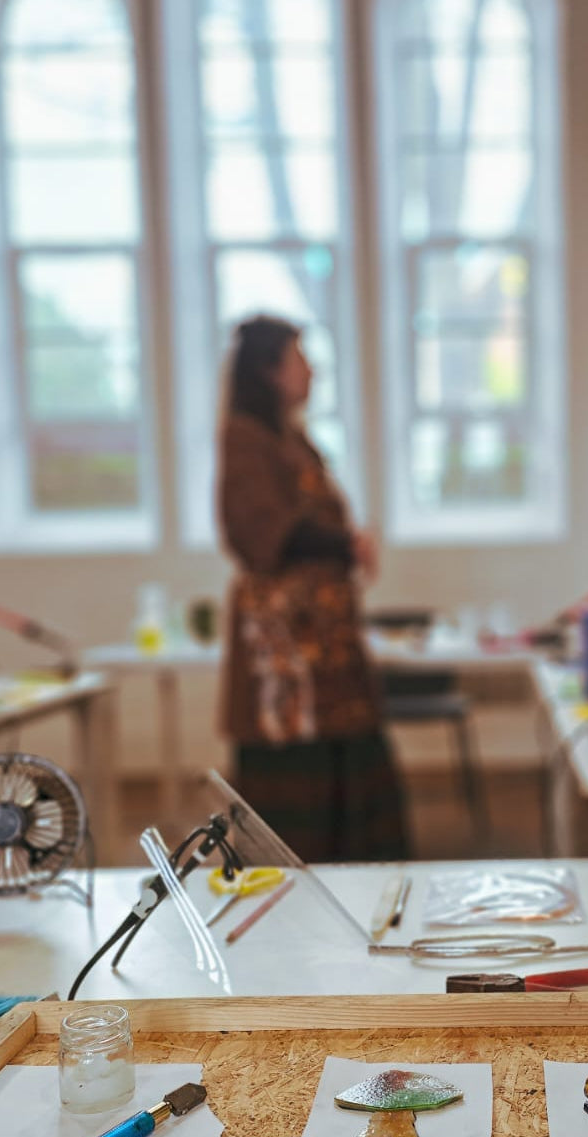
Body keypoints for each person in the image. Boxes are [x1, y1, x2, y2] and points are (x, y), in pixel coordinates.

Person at [217, 315, 409, 862]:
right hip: (285, 659)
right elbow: (261, 530)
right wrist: (346, 544)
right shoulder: (245, 438)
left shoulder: (290, 437)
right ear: (269, 371)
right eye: (300, 359)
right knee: (297, 789)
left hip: (324, 652)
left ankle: (354, 882)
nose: (312, 370)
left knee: (347, 770)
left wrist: (346, 544)